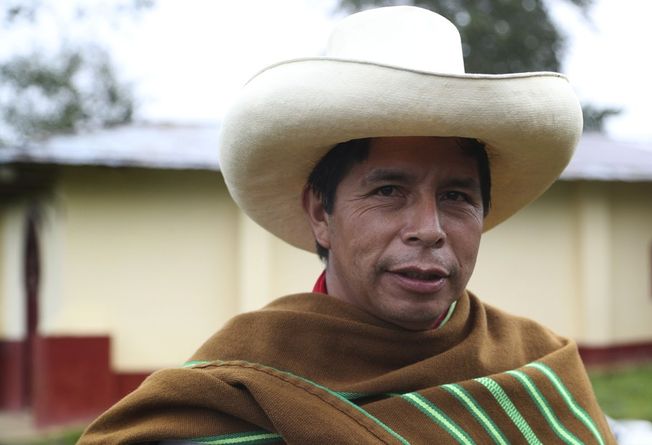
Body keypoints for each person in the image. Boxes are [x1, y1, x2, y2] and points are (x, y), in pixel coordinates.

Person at [79, 6, 615, 444]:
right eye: (388, 191)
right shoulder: (230, 399)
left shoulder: (540, 372)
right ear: (321, 213)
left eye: (457, 196)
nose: (429, 228)